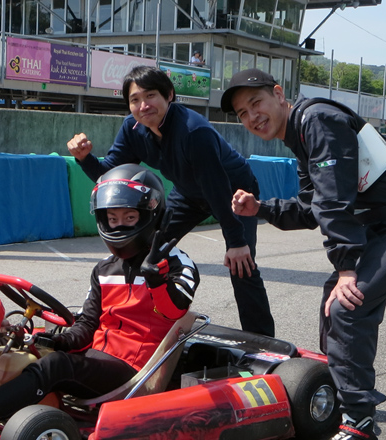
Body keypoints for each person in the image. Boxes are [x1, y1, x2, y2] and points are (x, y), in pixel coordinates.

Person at [221, 68, 386, 440]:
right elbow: (311, 206)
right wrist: (262, 209)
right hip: (382, 223)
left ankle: (358, 427)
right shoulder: (302, 133)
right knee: (334, 300)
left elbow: (332, 203)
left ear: (278, 94)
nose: (252, 116)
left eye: (256, 103)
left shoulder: (318, 119)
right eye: (241, 113)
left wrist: (346, 268)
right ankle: (339, 397)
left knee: (348, 303)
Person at [0, 164, 200, 425]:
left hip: (134, 371)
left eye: (130, 216)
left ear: (151, 216)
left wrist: (156, 279)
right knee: (6, 340)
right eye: (112, 218)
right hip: (95, 357)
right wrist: (56, 339)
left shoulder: (176, 263)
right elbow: (87, 326)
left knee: (56, 366)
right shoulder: (104, 269)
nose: (119, 224)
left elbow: (175, 312)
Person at [66, 65, 275, 337]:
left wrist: (236, 242)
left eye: (150, 96)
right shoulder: (132, 129)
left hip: (234, 193)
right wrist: (84, 158)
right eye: (135, 99)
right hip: (188, 193)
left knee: (241, 266)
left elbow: (216, 188)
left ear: (169, 95)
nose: (143, 105)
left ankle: (263, 343)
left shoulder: (193, 131)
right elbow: (110, 177)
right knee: (144, 247)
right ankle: (139, 322)